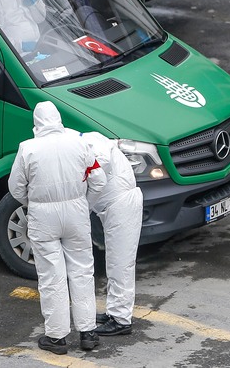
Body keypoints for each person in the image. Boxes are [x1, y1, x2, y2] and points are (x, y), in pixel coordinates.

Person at [8, 101, 103, 355]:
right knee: (82, 271)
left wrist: (35, 203)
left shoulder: (28, 148)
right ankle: (88, 333)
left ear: (36, 123)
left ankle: (57, 338)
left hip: (43, 216)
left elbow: (15, 187)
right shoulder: (78, 142)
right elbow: (99, 180)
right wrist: (85, 203)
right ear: (58, 119)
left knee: (52, 276)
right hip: (76, 213)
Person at [82, 131, 143, 337]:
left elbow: (102, 164)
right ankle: (114, 311)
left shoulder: (87, 143)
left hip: (121, 205)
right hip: (116, 205)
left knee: (121, 264)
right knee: (114, 262)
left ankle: (121, 320)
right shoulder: (87, 139)